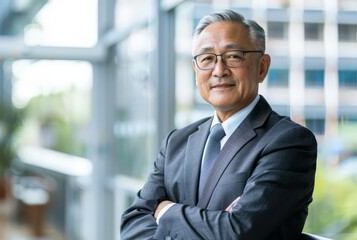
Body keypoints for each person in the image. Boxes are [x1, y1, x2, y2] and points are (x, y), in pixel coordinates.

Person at [120, 9, 318, 240]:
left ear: (262, 67)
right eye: (206, 58)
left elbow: (237, 231)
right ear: (196, 70)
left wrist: (166, 211)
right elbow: (133, 223)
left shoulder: (289, 141)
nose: (219, 70)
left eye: (234, 56)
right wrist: (213, 223)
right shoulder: (176, 142)